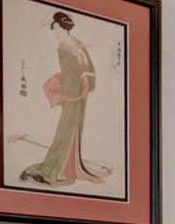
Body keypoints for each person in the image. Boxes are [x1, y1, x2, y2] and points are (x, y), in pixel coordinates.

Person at [18, 12, 111, 186]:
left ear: (63, 28)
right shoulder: (62, 48)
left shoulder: (78, 44)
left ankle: (71, 167)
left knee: (76, 129)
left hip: (82, 93)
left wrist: (87, 81)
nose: (55, 34)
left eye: (56, 30)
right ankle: (56, 168)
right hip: (73, 93)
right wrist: (75, 91)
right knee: (66, 129)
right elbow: (68, 73)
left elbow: (89, 66)